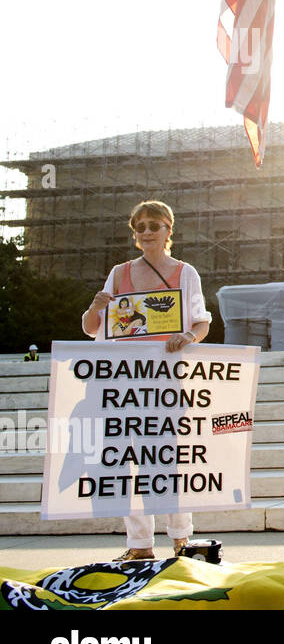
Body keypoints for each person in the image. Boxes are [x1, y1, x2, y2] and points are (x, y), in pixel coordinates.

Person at [80, 199, 211, 561]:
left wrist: (188, 337)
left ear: (169, 229)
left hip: (166, 377)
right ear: (134, 233)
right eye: (140, 226)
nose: (147, 231)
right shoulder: (118, 273)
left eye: (155, 224)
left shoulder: (186, 272)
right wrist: (95, 307)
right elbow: (93, 329)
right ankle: (139, 545)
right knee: (124, 460)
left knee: (166, 458)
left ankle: (182, 539)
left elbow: (201, 321)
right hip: (122, 380)